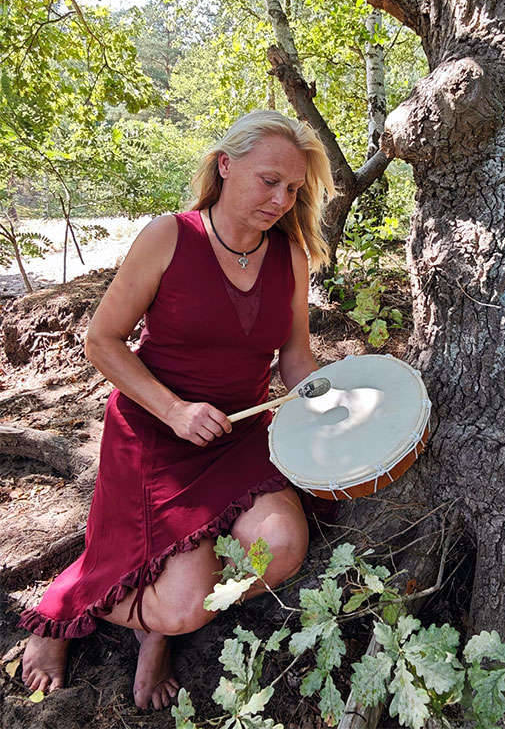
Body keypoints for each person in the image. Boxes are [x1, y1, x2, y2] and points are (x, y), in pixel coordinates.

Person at [20, 110, 334, 710]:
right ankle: (72, 608)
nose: (281, 199)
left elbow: (295, 358)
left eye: (293, 189)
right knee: (186, 606)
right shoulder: (169, 236)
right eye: (269, 180)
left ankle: (155, 615)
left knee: (282, 547)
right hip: (156, 431)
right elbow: (101, 341)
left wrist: (338, 400)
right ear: (225, 165)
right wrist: (174, 411)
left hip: (240, 435)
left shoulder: (289, 254)